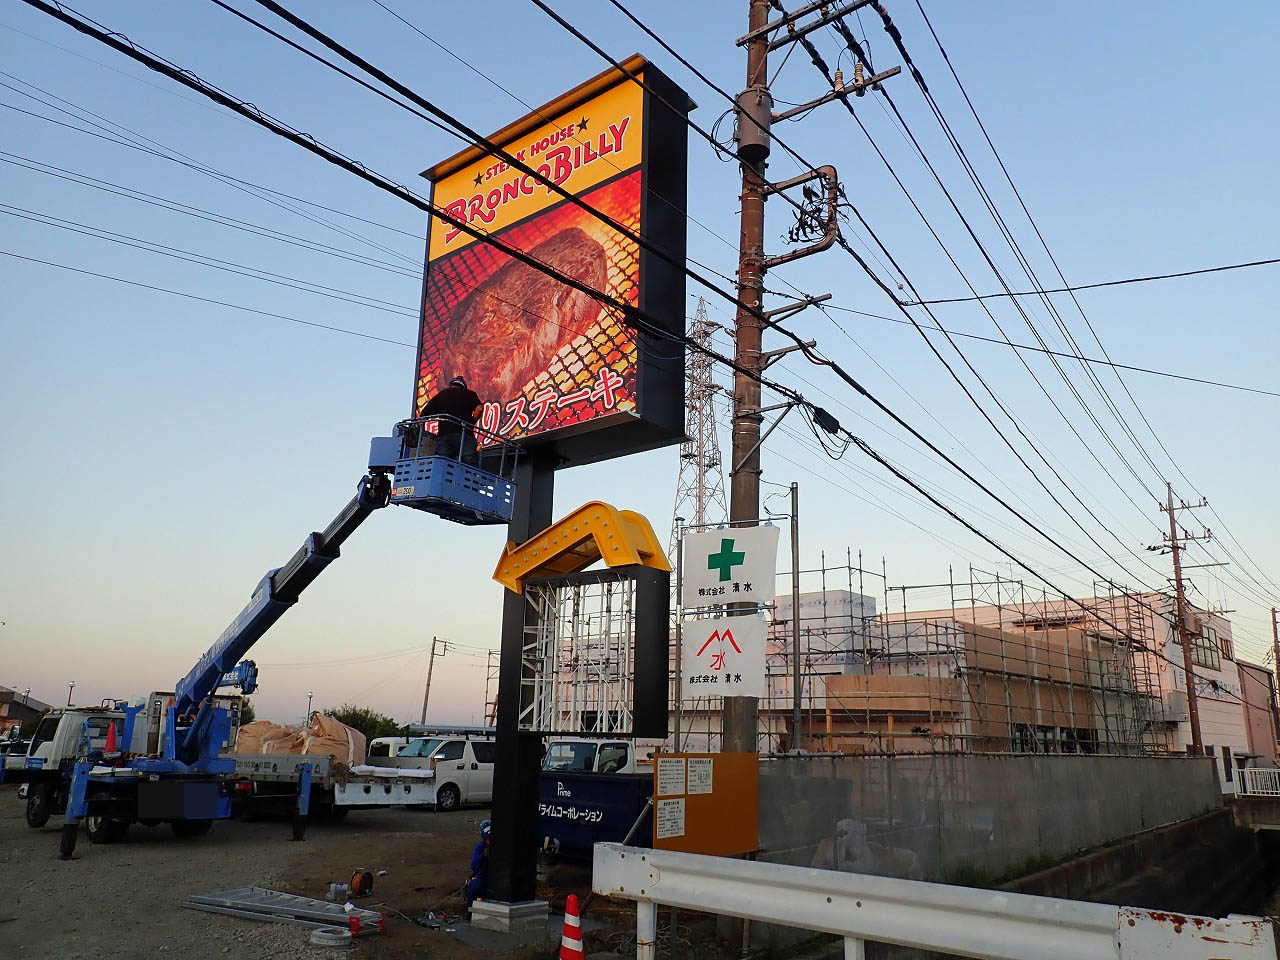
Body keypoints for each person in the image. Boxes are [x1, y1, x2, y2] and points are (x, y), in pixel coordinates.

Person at [422, 374, 482, 463]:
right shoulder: (470, 394)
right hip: (464, 434)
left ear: (451, 385)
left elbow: (424, 414)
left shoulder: (442, 394)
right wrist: (471, 423)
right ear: (464, 387)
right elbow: (479, 408)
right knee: (469, 465)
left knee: (442, 464)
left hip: (444, 435)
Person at [464, 818, 491, 910]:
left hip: (499, 878)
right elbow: (474, 866)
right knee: (474, 887)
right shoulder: (480, 847)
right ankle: (470, 911)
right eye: (488, 839)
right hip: (483, 878)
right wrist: (483, 856)